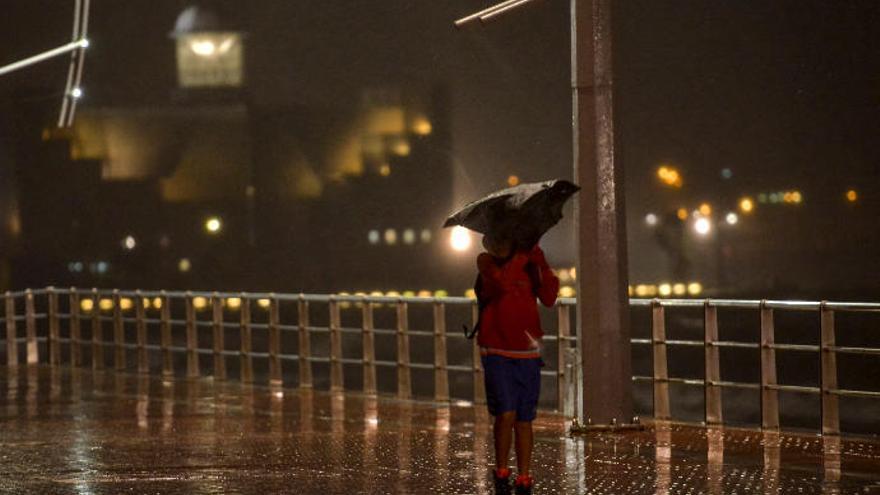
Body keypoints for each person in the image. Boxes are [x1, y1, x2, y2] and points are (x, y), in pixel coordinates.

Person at [476, 234, 559, 495]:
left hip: (527, 353)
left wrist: (541, 263)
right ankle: (501, 471)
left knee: (525, 418)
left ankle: (524, 476)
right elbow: (501, 284)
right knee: (506, 412)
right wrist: (523, 256)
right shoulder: (486, 262)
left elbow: (549, 296)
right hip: (497, 350)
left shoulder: (531, 264)